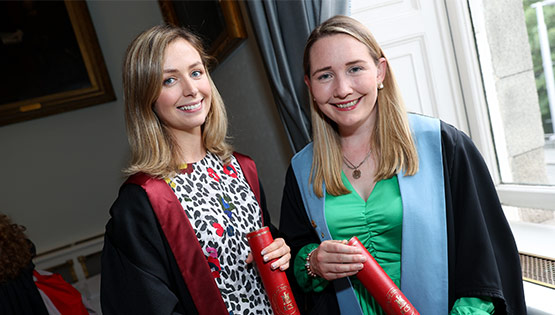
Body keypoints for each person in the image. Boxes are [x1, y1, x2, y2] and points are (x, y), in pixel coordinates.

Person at [279, 15, 526, 315]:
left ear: (380, 71)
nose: (342, 89)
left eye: (355, 68)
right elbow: (294, 254)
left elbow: (484, 259)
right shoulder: (303, 170)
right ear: (309, 85)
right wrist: (314, 262)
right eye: (325, 76)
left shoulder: (444, 146)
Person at [100, 25, 291, 315]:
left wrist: (281, 250)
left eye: (196, 72)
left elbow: (268, 254)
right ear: (146, 96)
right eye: (169, 80)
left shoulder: (242, 168)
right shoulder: (141, 201)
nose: (191, 89)